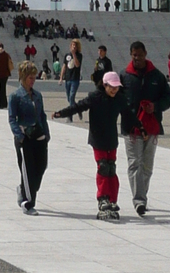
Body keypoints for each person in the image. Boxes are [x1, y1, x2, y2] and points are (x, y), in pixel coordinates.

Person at [54, 70, 126, 220]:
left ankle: (113, 199)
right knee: (103, 167)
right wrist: (62, 113)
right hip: (98, 139)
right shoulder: (95, 97)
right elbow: (79, 106)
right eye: (111, 87)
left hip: (111, 139)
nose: (114, 89)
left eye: (116, 87)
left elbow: (129, 114)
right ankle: (103, 198)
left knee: (111, 168)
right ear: (104, 85)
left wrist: (140, 127)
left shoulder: (119, 98)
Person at [121, 42, 170, 217]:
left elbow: (168, 97)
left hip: (151, 127)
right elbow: (115, 98)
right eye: (134, 55)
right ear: (130, 55)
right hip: (131, 128)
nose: (137, 58)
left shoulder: (156, 76)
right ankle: (139, 201)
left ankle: (142, 195)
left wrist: (156, 106)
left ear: (145, 54)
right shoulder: (125, 76)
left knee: (147, 166)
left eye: (140, 55)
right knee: (135, 163)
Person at [8, 62, 50, 213]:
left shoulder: (38, 96)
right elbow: (12, 118)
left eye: (34, 78)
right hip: (24, 138)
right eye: (30, 78)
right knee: (28, 170)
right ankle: (27, 202)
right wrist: (19, 136)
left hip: (39, 137)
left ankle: (26, 189)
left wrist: (46, 134)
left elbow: (42, 116)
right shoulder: (15, 96)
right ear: (23, 77)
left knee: (42, 166)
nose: (33, 81)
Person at [63, 39, 83, 107]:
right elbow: (64, 66)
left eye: (75, 45)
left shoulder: (79, 55)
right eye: (73, 45)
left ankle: (70, 116)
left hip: (75, 79)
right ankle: (78, 108)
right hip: (67, 78)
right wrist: (61, 77)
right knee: (69, 98)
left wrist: (74, 54)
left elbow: (77, 65)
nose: (74, 47)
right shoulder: (67, 55)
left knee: (72, 96)